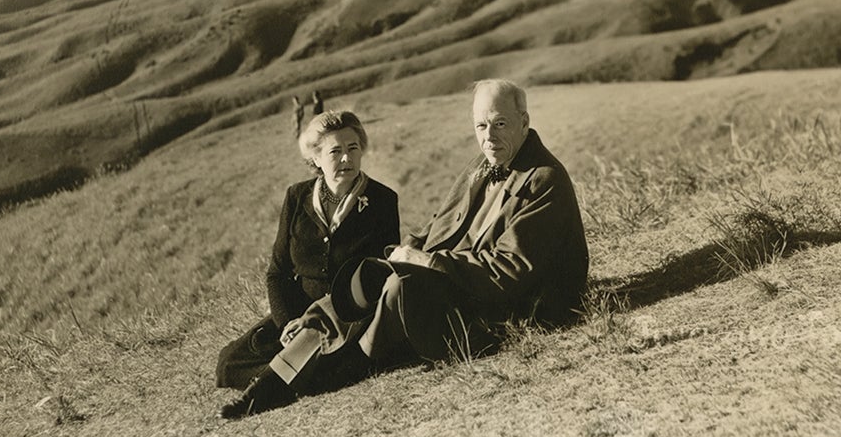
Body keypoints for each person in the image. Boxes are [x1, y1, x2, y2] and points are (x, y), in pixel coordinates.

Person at [221, 79, 588, 419]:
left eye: (500, 124)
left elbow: (509, 272)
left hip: (502, 307)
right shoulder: (481, 165)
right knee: (354, 289)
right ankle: (266, 389)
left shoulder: (545, 180)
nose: (488, 137)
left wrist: (426, 262)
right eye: (480, 126)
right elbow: (437, 227)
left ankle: (348, 366)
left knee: (400, 288)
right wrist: (400, 253)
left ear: (524, 121)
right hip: (457, 284)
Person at [215, 110, 400, 391]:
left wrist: (323, 317)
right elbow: (277, 272)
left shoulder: (382, 200)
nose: (346, 159)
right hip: (298, 313)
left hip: (349, 316)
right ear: (315, 158)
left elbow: (381, 274)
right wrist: (288, 323)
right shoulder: (297, 197)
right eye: (335, 151)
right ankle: (298, 374)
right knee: (229, 362)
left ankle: (293, 375)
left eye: (353, 148)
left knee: (328, 357)